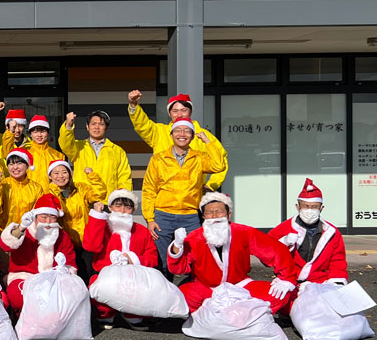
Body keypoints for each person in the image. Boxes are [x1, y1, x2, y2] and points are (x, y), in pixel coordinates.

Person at [167, 192, 298, 314]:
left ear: (228, 214)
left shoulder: (244, 232)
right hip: (206, 288)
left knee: (280, 294)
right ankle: (238, 313)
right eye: (209, 213)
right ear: (203, 216)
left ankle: (224, 314)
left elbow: (276, 250)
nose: (214, 216)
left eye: (219, 212)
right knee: (180, 297)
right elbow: (178, 269)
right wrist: (177, 247)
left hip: (240, 286)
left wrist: (286, 279)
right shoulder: (194, 237)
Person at [141, 118, 227, 270]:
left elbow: (219, 165)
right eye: (178, 130)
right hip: (163, 215)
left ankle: (189, 290)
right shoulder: (158, 159)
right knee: (162, 260)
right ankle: (164, 290)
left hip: (190, 216)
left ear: (193, 136)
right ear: (171, 134)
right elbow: (149, 189)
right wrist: (149, 218)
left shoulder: (199, 157)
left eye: (187, 131)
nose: (182, 134)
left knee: (193, 257)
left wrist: (208, 142)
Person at [82, 189, 159, 326]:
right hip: (106, 274)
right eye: (118, 206)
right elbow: (90, 246)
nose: (122, 210)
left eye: (127, 207)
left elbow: (152, 258)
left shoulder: (141, 230)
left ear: (133, 209)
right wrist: (97, 216)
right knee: (98, 287)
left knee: (142, 291)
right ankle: (105, 314)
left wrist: (133, 258)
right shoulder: (103, 227)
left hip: (135, 274)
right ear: (110, 207)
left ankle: (132, 315)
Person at [128, 90, 228, 191]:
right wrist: (133, 105)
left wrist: (211, 184)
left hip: (192, 198)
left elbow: (221, 158)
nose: (179, 115)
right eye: (175, 111)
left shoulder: (204, 135)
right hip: (164, 196)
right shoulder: (160, 132)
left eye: (184, 110)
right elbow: (142, 125)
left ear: (190, 111)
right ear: (170, 114)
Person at [0, 193, 77, 313]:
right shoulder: (25, 232)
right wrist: (21, 227)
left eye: (52, 217)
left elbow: (70, 261)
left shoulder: (62, 235)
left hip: (53, 277)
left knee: (68, 297)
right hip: (24, 276)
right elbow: (5, 245)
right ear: (35, 217)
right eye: (44, 217)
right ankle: (22, 320)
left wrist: (63, 272)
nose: (48, 221)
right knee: (18, 297)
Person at [268, 178, 348, 293]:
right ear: (298, 207)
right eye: (305, 206)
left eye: (314, 207)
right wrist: (283, 243)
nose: (309, 211)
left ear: (321, 208)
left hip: (319, 283)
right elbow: (266, 256)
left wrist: (336, 283)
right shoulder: (283, 229)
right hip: (288, 282)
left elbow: (338, 261)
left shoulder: (332, 233)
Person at [58, 109, 133, 196]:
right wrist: (68, 126)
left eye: (101, 124)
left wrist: (123, 199)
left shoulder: (117, 151)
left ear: (106, 127)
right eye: (93, 124)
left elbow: (124, 178)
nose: (97, 127)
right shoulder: (78, 147)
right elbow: (65, 144)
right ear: (87, 126)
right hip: (83, 201)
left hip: (108, 202)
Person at [45, 158, 107, 250]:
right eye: (56, 173)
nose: (61, 176)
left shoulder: (80, 188)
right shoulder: (48, 193)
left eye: (64, 172)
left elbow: (99, 194)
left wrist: (92, 176)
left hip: (85, 241)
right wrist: (54, 188)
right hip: (63, 244)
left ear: (70, 174)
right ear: (50, 176)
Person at [0, 148, 45, 234]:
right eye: (11, 164)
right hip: (1, 232)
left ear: (27, 166)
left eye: (19, 163)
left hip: (25, 234)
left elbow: (38, 213)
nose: (15, 167)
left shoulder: (36, 188)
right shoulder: (1, 185)